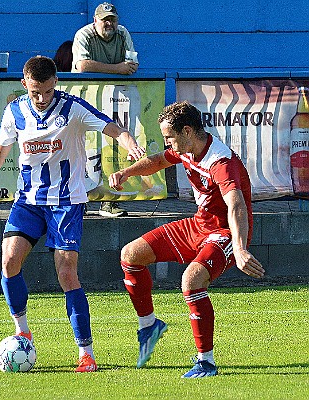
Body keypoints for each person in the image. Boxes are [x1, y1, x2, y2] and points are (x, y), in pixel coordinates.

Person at [0, 56, 145, 372]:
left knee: (67, 274)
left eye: (47, 91)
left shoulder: (72, 109)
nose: (42, 98)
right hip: (28, 202)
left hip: (66, 203)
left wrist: (130, 144)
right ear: (24, 85)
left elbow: (112, 128)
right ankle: (22, 330)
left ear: (55, 83)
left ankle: (85, 353)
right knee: (9, 261)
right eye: (36, 92)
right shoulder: (15, 111)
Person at [109, 101, 265, 378]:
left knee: (191, 280)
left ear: (188, 131)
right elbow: (158, 160)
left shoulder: (220, 162)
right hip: (199, 225)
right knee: (130, 254)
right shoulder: (186, 149)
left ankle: (206, 362)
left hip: (226, 231)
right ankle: (149, 326)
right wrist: (126, 172)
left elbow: (236, 206)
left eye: (169, 136)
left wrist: (239, 249)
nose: (167, 141)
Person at [72, 2, 139, 217]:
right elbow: (82, 66)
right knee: (84, 147)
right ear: (95, 21)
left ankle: (109, 200)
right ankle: (78, 198)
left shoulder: (123, 33)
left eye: (112, 19)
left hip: (115, 97)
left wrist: (124, 69)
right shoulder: (84, 34)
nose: (109, 23)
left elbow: (132, 63)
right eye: (104, 19)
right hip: (85, 97)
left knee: (114, 147)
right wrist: (117, 69)